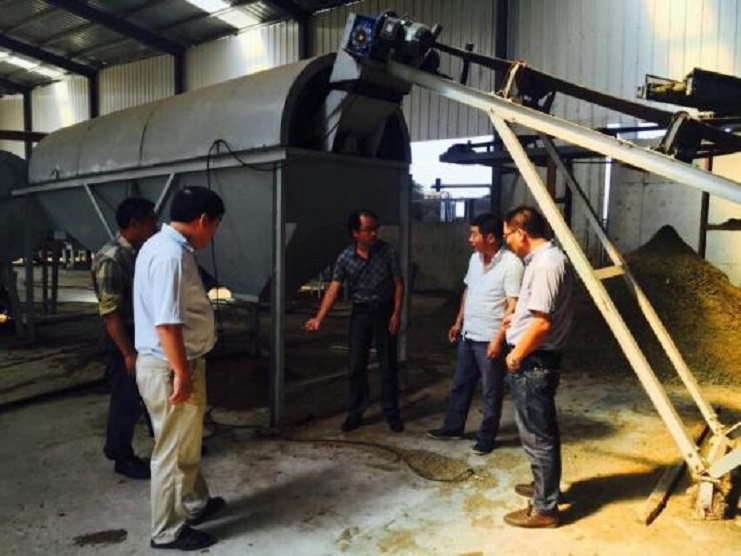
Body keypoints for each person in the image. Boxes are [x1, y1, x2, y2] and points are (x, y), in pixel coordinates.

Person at [133, 186, 226, 551]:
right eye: (215, 226)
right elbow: (167, 323)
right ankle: (167, 530)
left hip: (173, 363)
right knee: (171, 452)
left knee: (185, 444)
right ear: (204, 220)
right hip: (170, 367)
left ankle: (194, 504)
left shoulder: (160, 246)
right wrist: (182, 374)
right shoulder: (171, 256)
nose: (214, 234)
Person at [500, 205, 573, 529]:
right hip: (537, 357)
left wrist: (516, 355)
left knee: (537, 435)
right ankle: (545, 489)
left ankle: (545, 510)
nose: (506, 242)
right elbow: (536, 314)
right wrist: (515, 320)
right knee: (538, 432)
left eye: (507, 235)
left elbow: (543, 324)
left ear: (521, 233)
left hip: (534, 360)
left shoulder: (546, 264)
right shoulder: (543, 260)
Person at [427, 213, 523, 455]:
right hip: (468, 334)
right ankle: (453, 427)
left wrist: (499, 340)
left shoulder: (511, 264)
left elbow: (513, 306)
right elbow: (468, 291)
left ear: (489, 238)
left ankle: (487, 437)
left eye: (474, 234)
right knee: (460, 384)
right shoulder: (474, 259)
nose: (470, 239)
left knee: (491, 391)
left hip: (490, 338)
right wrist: (458, 322)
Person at [305, 209, 404, 433]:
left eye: (375, 229)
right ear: (355, 233)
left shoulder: (387, 251)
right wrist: (319, 318)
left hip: (384, 310)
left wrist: (397, 313)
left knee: (388, 364)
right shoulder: (345, 258)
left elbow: (398, 283)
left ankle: (392, 413)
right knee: (356, 365)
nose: (374, 233)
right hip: (361, 313)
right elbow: (334, 289)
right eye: (368, 230)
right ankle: (356, 412)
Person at [91, 197, 157, 480]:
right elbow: (111, 314)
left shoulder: (140, 251)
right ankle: (121, 455)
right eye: (151, 222)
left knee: (153, 390)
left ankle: (167, 442)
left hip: (142, 331)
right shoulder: (112, 259)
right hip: (124, 335)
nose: (156, 227)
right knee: (126, 397)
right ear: (134, 224)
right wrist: (128, 353)